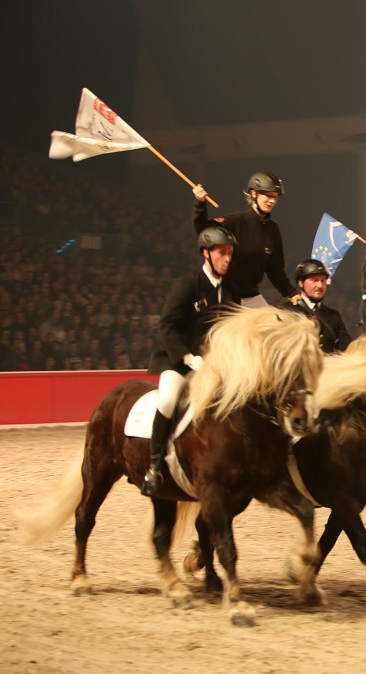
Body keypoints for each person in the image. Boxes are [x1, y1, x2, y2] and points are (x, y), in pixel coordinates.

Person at [142, 226, 239, 498]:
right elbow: (167, 326)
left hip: (216, 367)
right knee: (169, 399)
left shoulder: (231, 292)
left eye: (230, 253)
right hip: (181, 363)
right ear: (206, 254)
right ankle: (155, 465)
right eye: (222, 253)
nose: (227, 258)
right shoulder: (189, 284)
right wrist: (187, 357)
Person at [192, 171, 298, 308]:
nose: (272, 201)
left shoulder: (273, 229)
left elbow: (275, 269)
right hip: (224, 295)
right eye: (268, 195)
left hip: (251, 295)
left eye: (275, 197)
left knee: (275, 326)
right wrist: (199, 204)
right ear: (254, 193)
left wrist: (291, 293)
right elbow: (204, 231)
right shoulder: (234, 221)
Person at [284, 259, 351, 354]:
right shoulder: (287, 311)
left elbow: (347, 349)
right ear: (300, 283)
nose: (320, 285)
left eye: (323, 281)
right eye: (314, 280)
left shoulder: (333, 316)